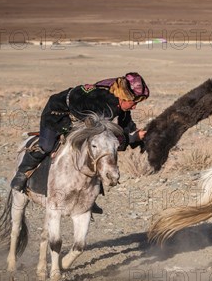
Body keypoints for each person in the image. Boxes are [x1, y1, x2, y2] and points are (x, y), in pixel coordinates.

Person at [10, 72, 150, 197]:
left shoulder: (119, 102)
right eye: (133, 102)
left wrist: (137, 135)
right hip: (58, 113)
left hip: (82, 119)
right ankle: (22, 173)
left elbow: (125, 125)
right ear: (123, 97)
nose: (135, 106)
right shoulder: (103, 103)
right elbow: (106, 134)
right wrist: (129, 138)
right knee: (46, 146)